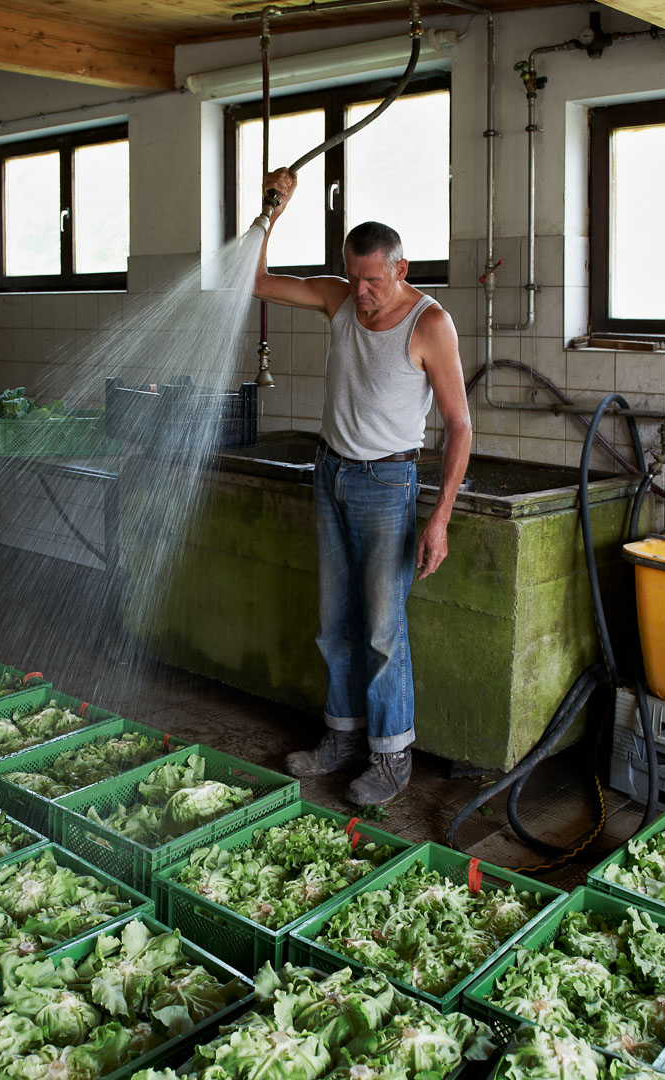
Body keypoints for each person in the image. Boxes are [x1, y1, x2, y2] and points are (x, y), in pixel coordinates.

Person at [252, 166, 472, 805]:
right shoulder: (339, 300)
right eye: (353, 277)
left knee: (381, 628)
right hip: (331, 475)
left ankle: (392, 757)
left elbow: (459, 427)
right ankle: (342, 737)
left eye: (374, 279)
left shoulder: (430, 324)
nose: (362, 291)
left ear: (402, 270)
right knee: (334, 623)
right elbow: (256, 282)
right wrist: (272, 213)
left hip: (388, 484)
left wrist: (439, 518)